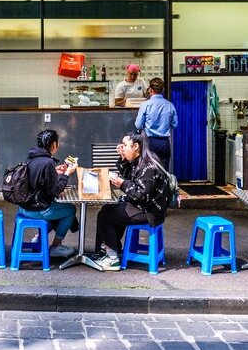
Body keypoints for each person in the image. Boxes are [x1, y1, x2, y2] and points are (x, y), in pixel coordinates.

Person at [93, 130, 170, 270]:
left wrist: (121, 183)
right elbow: (129, 175)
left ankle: (112, 258)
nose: (122, 147)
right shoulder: (143, 160)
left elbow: (141, 195)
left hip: (149, 211)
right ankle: (111, 250)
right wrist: (122, 157)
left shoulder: (148, 167)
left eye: (125, 145)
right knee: (111, 210)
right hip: (145, 207)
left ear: (136, 147)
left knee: (105, 215)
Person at [20, 129, 79, 257]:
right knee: (70, 210)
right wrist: (68, 173)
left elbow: (39, 178)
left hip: (23, 207)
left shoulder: (32, 158)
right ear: (53, 145)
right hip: (36, 209)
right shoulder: (48, 162)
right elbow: (55, 191)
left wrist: (55, 171)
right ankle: (56, 246)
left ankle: (39, 238)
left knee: (57, 210)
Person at [134, 77, 178, 169]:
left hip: (149, 142)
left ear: (150, 89)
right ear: (163, 90)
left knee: (148, 170)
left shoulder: (145, 105)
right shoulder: (170, 105)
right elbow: (174, 124)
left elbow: (138, 125)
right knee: (164, 171)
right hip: (164, 142)